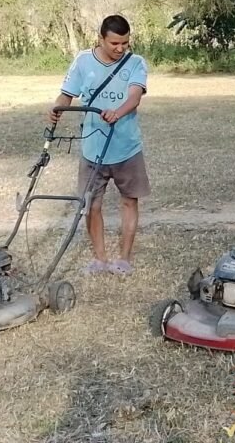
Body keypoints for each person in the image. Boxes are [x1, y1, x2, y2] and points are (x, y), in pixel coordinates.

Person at [48, 15, 150, 276]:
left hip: (126, 147)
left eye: (125, 43)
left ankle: (125, 258)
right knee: (91, 204)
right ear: (101, 38)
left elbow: (135, 96)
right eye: (115, 43)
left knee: (129, 201)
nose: (120, 48)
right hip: (92, 148)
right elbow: (67, 93)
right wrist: (57, 108)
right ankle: (100, 259)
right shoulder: (83, 61)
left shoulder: (136, 63)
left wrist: (118, 111)